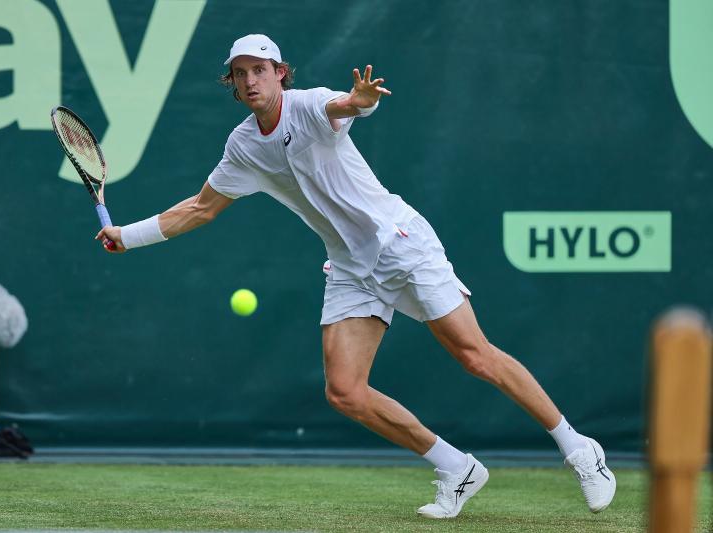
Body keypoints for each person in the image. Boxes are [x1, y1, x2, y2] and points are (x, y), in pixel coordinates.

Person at [96, 34, 616, 519]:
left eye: (259, 69)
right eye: (239, 73)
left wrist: (362, 99)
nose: (250, 80)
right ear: (231, 84)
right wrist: (127, 235)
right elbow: (199, 208)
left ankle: (579, 448)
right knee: (345, 391)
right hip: (349, 265)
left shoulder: (308, 104)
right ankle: (457, 468)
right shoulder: (242, 146)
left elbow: (344, 105)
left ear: (280, 74)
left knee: (473, 355)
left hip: (402, 244)